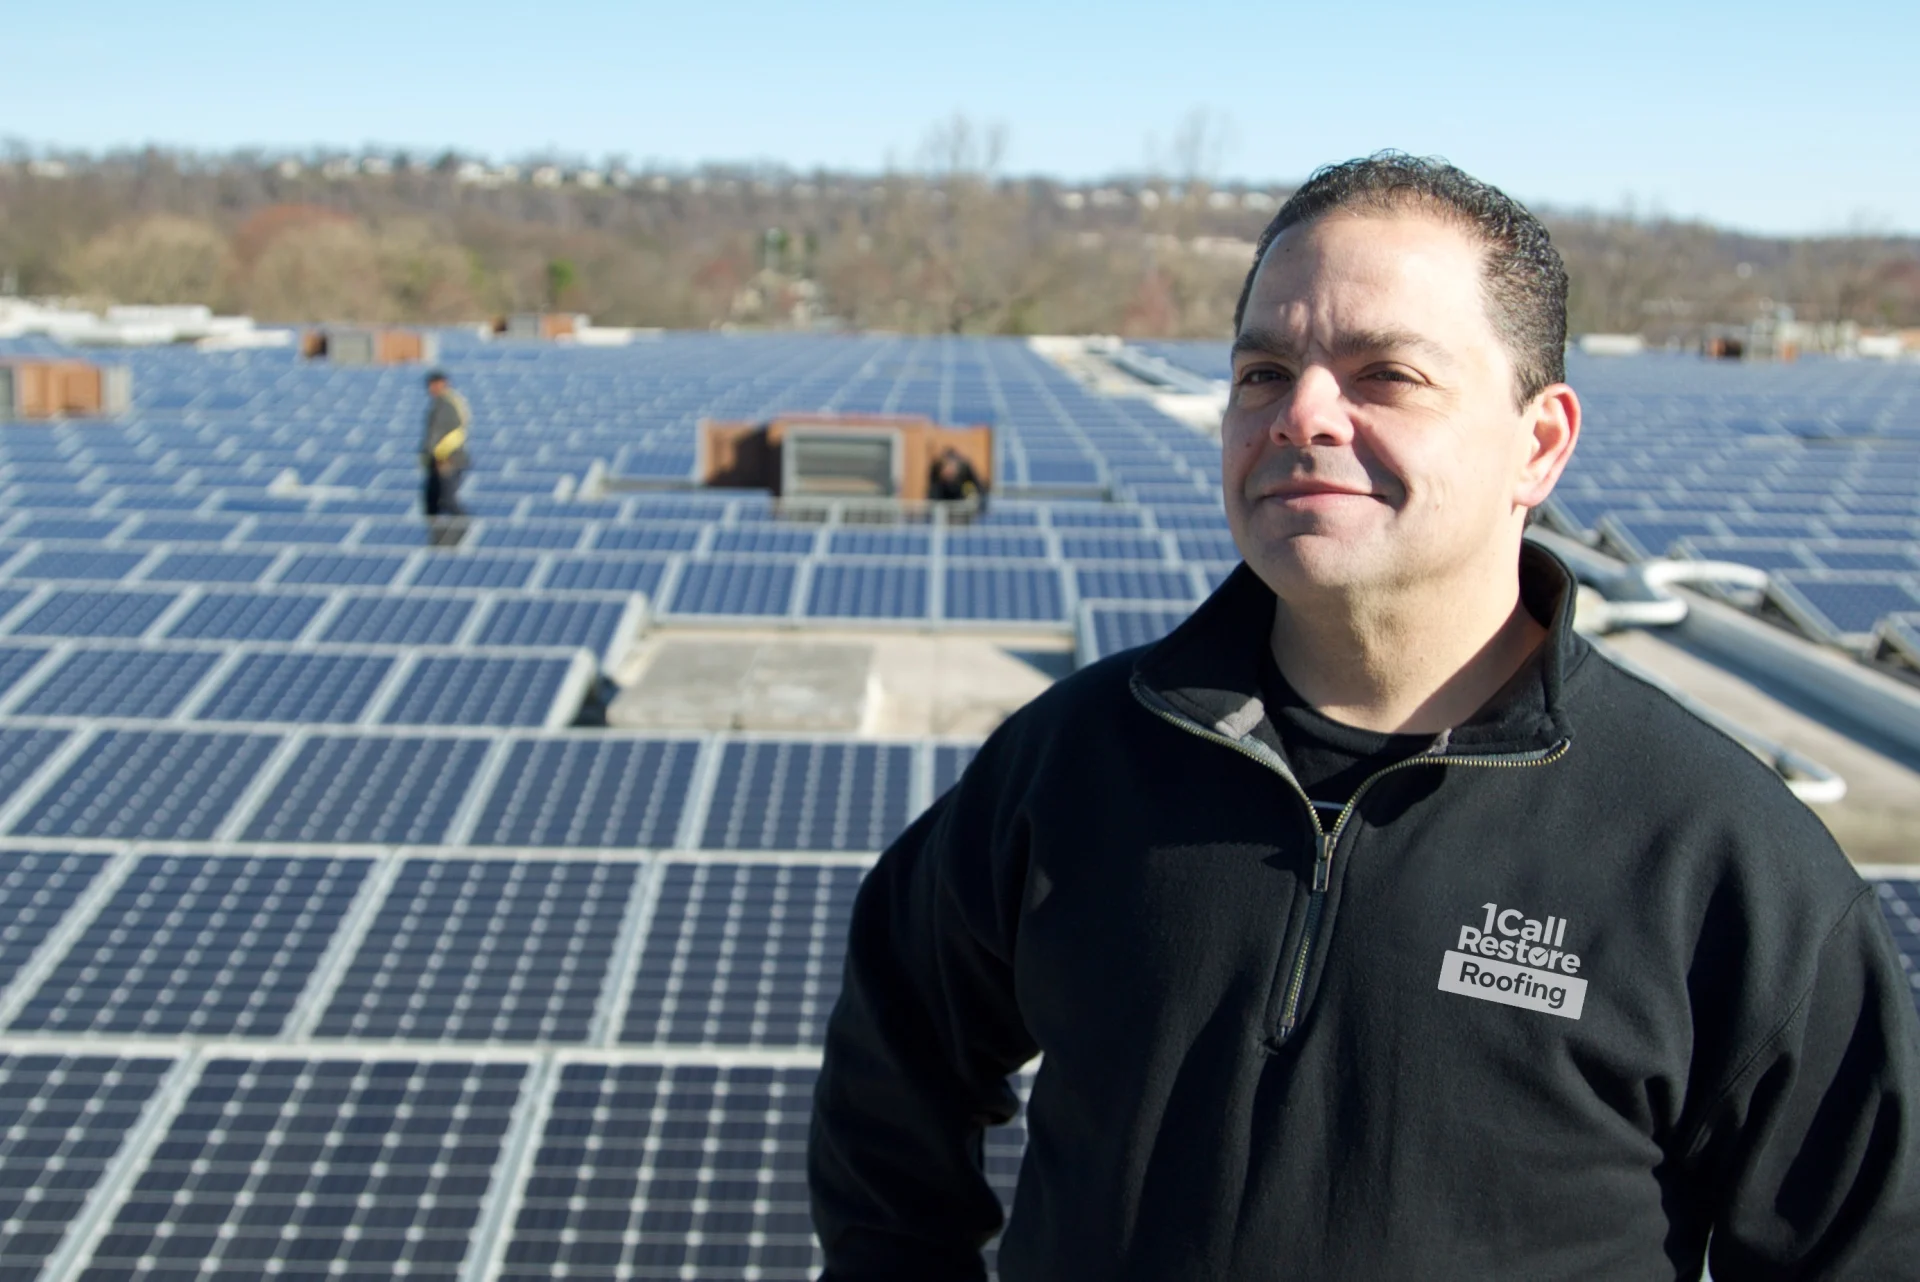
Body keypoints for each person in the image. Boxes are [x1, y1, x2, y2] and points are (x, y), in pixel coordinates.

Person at [809, 153, 1920, 1280]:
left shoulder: (1715, 852)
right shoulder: (1072, 762)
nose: (1302, 414)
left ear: (1539, 443)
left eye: (1385, 373)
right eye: (1262, 369)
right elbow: (894, 1063)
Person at [421, 369, 470, 520]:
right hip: (438, 460)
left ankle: (465, 529)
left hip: (448, 461)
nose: (430, 389)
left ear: (443, 384)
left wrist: (441, 456)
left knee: (447, 501)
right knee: (432, 502)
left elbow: (455, 433)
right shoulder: (443, 402)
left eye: (433, 384)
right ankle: (439, 536)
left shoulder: (447, 404)